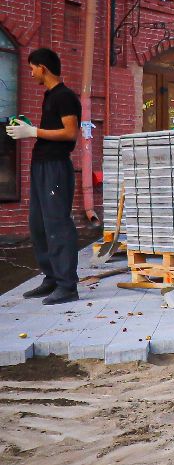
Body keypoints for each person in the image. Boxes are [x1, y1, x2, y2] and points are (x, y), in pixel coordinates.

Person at [7, 48, 81, 304]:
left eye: (32, 68)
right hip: (41, 166)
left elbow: (70, 132)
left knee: (57, 224)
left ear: (43, 68)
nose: (31, 73)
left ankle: (67, 286)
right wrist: (28, 127)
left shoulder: (65, 96)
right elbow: (51, 129)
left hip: (55, 168)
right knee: (38, 225)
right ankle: (51, 278)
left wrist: (33, 132)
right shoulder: (50, 96)